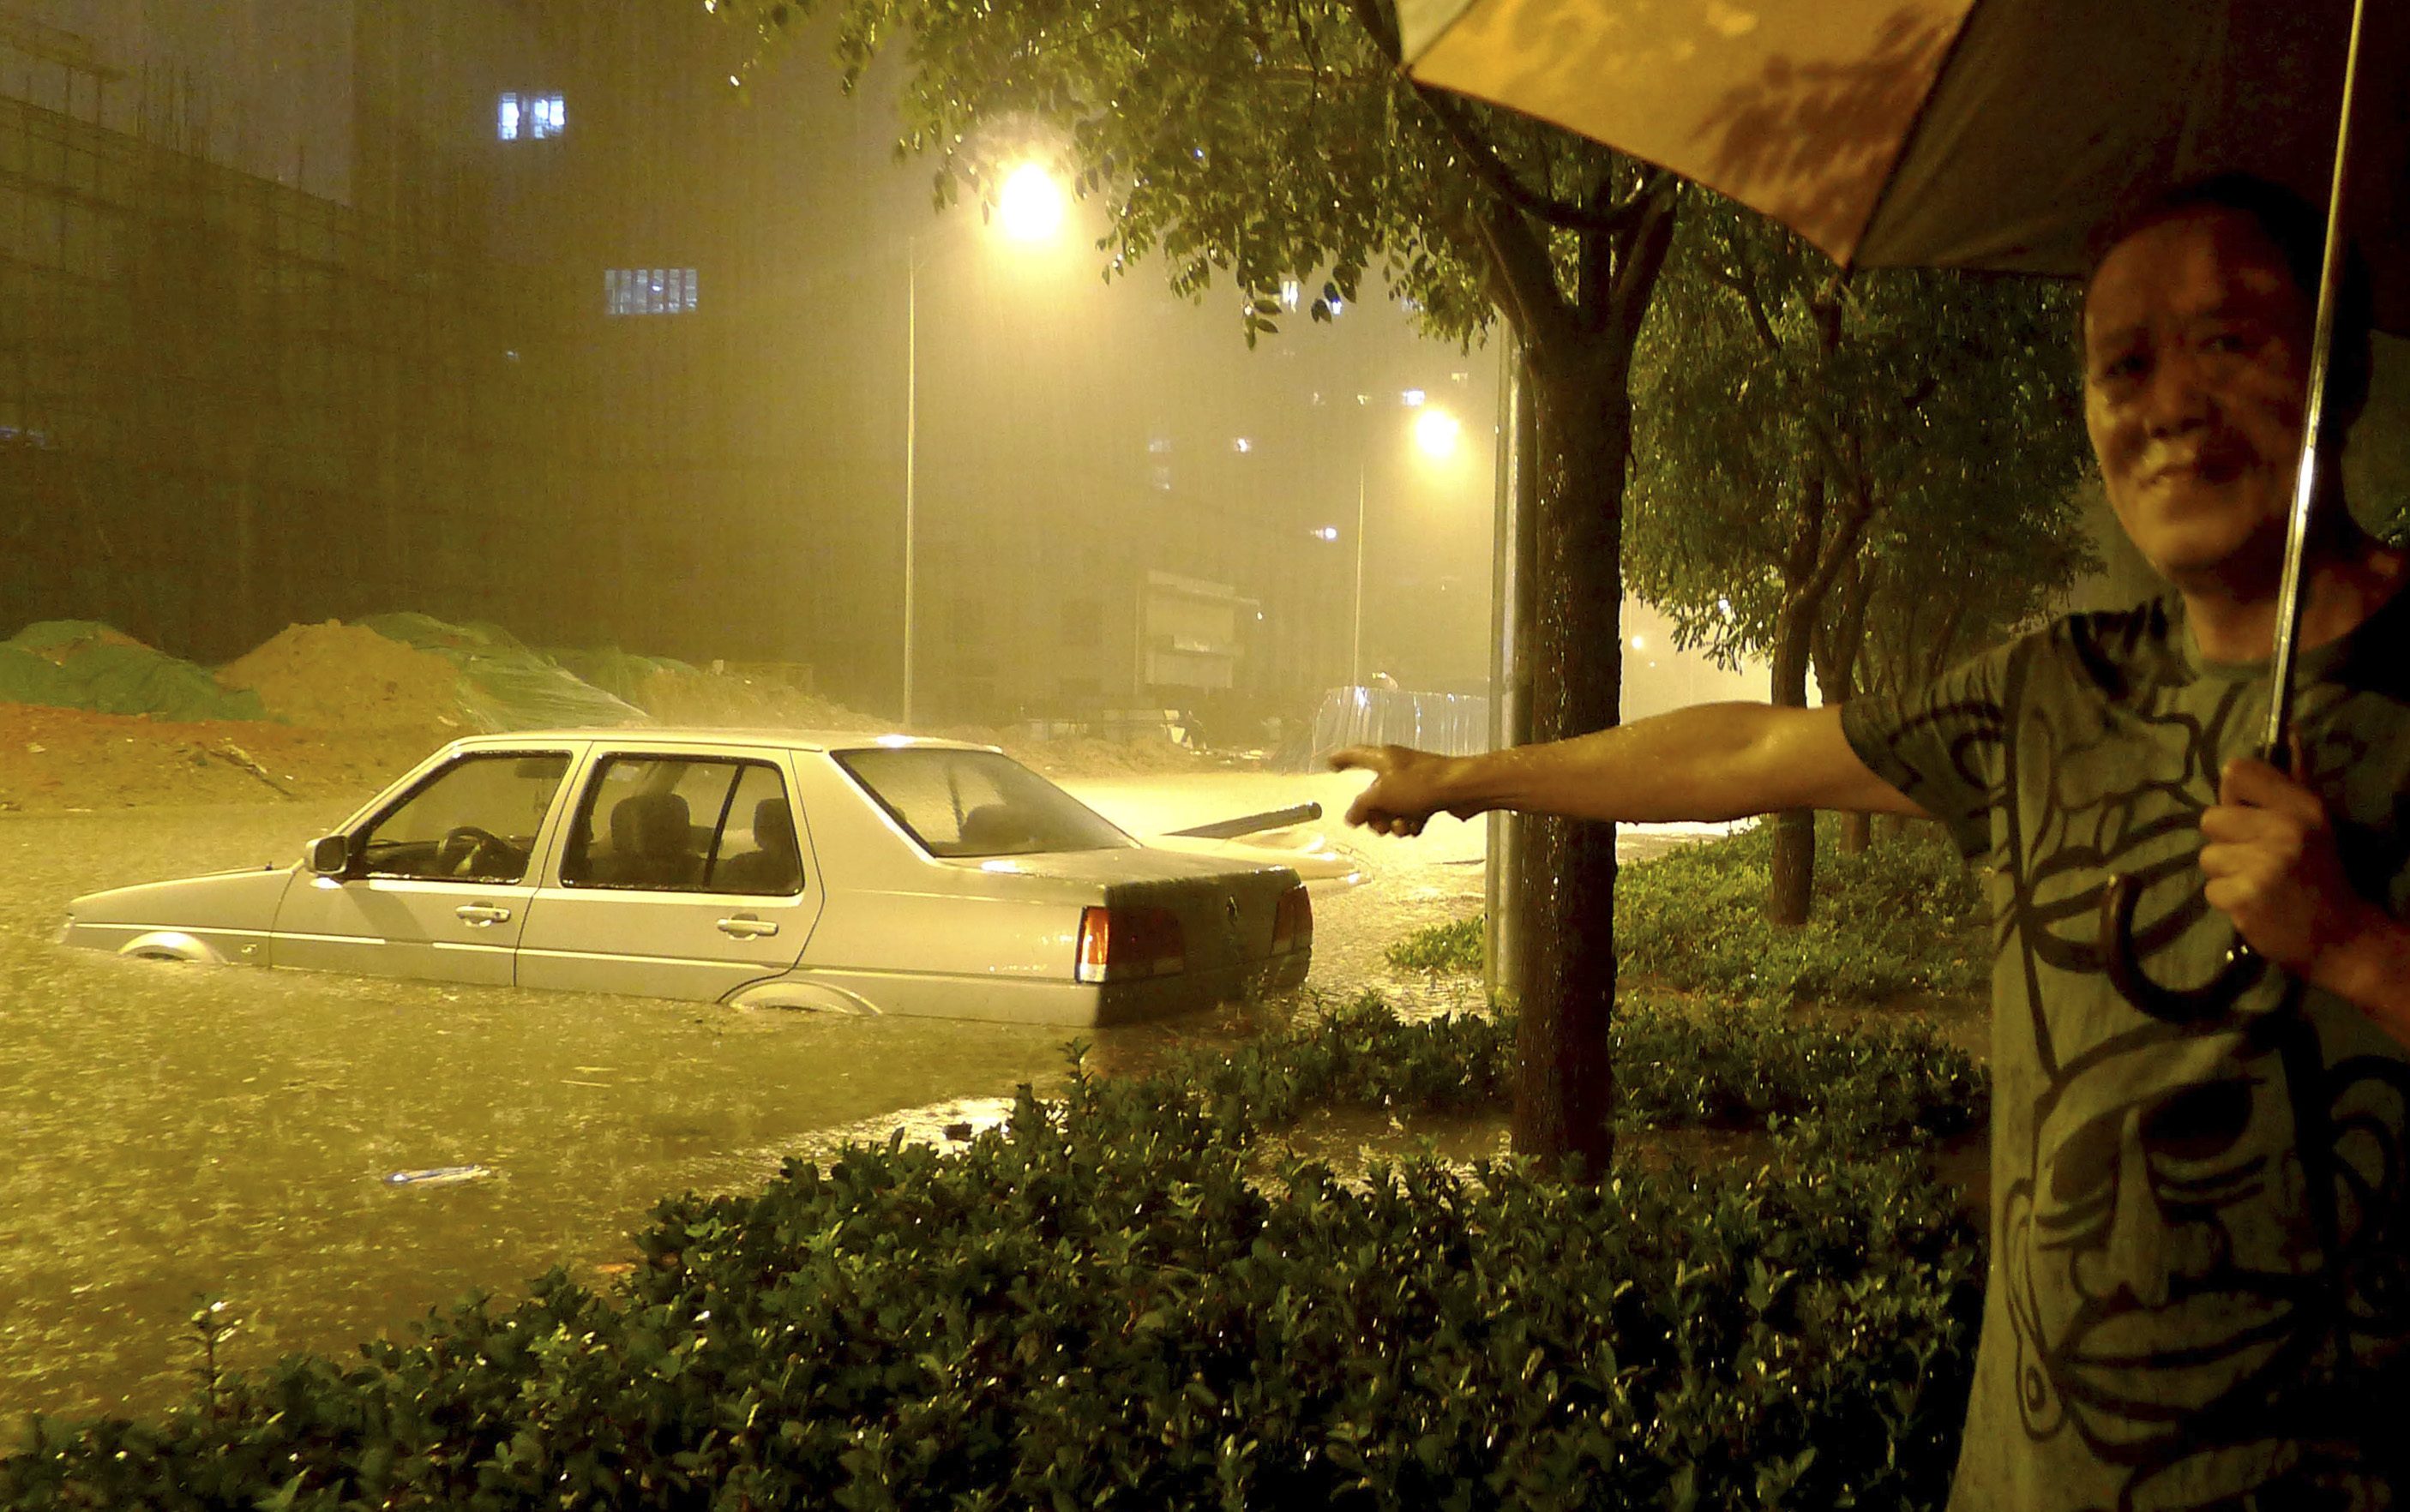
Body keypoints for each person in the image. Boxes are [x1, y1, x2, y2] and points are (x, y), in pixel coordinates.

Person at [1334, 175, 2410, 1509]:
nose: (2168, 406)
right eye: (2121, 364)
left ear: (2339, 366)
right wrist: (1468, 776)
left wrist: (2362, 950)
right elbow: (1753, 751)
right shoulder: (2053, 694)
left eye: (2229, 342)